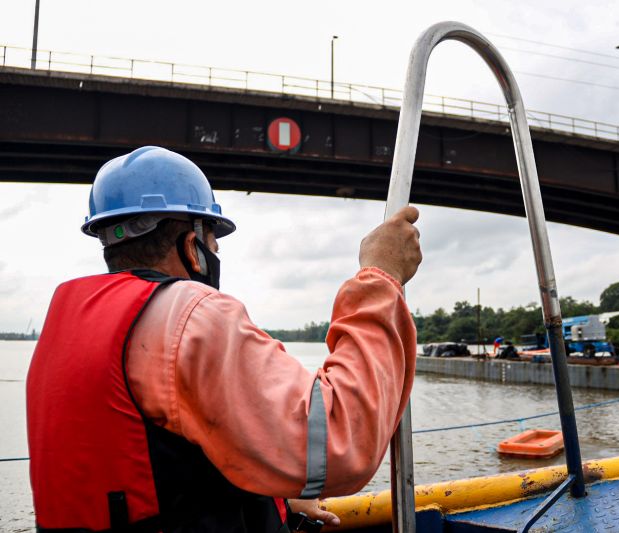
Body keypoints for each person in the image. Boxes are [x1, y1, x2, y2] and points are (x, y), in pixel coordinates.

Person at [26, 146, 423, 532]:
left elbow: (164, 465)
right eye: (213, 242)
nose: (215, 253)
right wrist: (380, 278)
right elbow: (338, 443)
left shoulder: (67, 327)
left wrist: (276, 494)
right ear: (192, 247)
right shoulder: (188, 317)